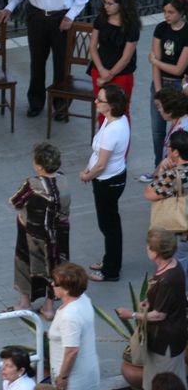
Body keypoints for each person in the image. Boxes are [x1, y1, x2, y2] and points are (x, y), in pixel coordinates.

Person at [117, 230, 187, 390]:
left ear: (156, 252)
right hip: (169, 338)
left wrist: (131, 314)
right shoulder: (172, 266)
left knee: (165, 387)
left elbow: (159, 315)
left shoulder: (167, 280)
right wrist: (151, 301)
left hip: (166, 342)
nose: (146, 249)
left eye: (149, 247)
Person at [47, 263, 101, 390]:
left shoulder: (69, 315)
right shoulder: (84, 300)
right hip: (89, 367)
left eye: (55, 283)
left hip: (73, 373)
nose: (52, 285)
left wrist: (62, 377)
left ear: (67, 289)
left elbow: (71, 351)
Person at [8, 141, 69, 318]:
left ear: (40, 166)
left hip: (33, 235)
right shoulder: (63, 180)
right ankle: (48, 308)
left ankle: (25, 303)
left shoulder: (33, 184)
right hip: (59, 233)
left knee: (25, 264)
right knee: (56, 268)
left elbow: (15, 202)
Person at [78, 84, 130, 282]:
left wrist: (87, 176)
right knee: (109, 224)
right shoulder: (111, 120)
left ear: (111, 105)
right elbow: (97, 154)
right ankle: (110, 260)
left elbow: (101, 165)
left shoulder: (113, 130)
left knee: (109, 226)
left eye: (100, 100)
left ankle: (111, 270)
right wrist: (88, 168)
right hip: (107, 179)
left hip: (108, 182)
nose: (95, 102)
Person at [143, 0, 188, 180]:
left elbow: (178, 69)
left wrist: (155, 61)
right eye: (164, 12)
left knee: (179, 130)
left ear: (181, 13)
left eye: (171, 12)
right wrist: (159, 90)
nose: (166, 16)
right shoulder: (161, 28)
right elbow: (156, 62)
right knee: (157, 130)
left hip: (179, 85)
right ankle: (158, 169)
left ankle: (179, 169)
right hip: (161, 82)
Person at [88, 0, 140, 125]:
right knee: (102, 109)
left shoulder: (131, 26)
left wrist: (108, 75)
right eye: (105, 2)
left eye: (110, 3)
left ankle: (121, 139)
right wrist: (101, 70)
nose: (106, 6)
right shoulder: (101, 19)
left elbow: (126, 58)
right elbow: (92, 47)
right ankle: (103, 138)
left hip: (121, 74)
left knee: (121, 111)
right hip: (99, 70)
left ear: (121, 5)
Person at [147, 130, 188, 277]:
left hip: (181, 232)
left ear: (176, 152)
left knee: (179, 272)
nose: (167, 149)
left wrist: (161, 170)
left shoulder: (173, 175)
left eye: (169, 147)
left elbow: (150, 193)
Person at [142, 87, 188, 183]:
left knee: (151, 191)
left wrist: (158, 179)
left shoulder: (181, 130)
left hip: (176, 177)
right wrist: (156, 173)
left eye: (159, 106)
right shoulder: (178, 121)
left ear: (170, 111)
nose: (158, 110)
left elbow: (173, 159)